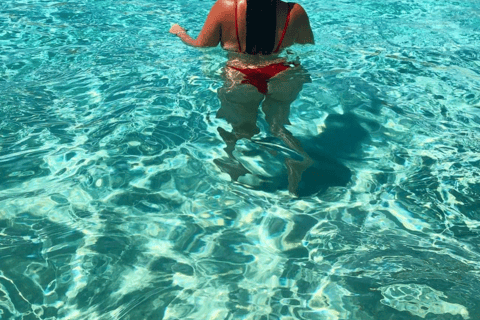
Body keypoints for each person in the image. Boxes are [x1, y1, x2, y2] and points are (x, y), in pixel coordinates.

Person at [170, 0, 315, 195]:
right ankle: (296, 162)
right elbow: (307, 48)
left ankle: (237, 172)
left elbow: (202, 46)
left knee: (241, 130)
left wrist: (179, 32)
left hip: (240, 75)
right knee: (279, 126)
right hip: (283, 74)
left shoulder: (225, 7)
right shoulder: (295, 11)